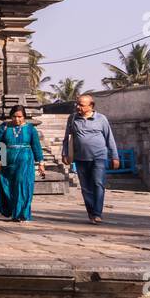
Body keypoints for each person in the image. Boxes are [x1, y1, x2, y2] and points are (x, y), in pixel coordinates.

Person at [62, 93, 120, 224]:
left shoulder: (101, 119)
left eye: (81, 105)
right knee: (85, 187)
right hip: (81, 158)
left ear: (91, 106)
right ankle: (91, 212)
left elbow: (109, 138)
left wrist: (114, 156)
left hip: (99, 157)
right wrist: (64, 153)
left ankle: (97, 212)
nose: (78, 107)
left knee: (98, 183)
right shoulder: (72, 118)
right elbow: (67, 138)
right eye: (77, 104)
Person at [0, 105, 46, 221]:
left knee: (22, 184)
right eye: (14, 116)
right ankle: (13, 211)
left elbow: (36, 146)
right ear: (11, 116)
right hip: (7, 159)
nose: (17, 119)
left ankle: (22, 214)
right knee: (7, 185)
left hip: (25, 160)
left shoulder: (30, 129)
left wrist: (41, 162)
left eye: (20, 117)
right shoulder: (4, 127)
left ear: (24, 117)